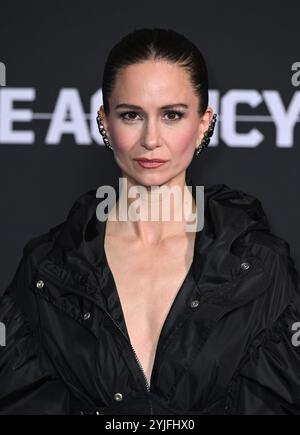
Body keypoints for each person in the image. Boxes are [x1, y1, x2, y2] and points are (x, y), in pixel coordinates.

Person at [1, 27, 300, 415]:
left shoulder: (262, 267)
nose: (151, 139)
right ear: (104, 122)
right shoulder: (47, 268)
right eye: (131, 115)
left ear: (204, 123)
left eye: (172, 115)